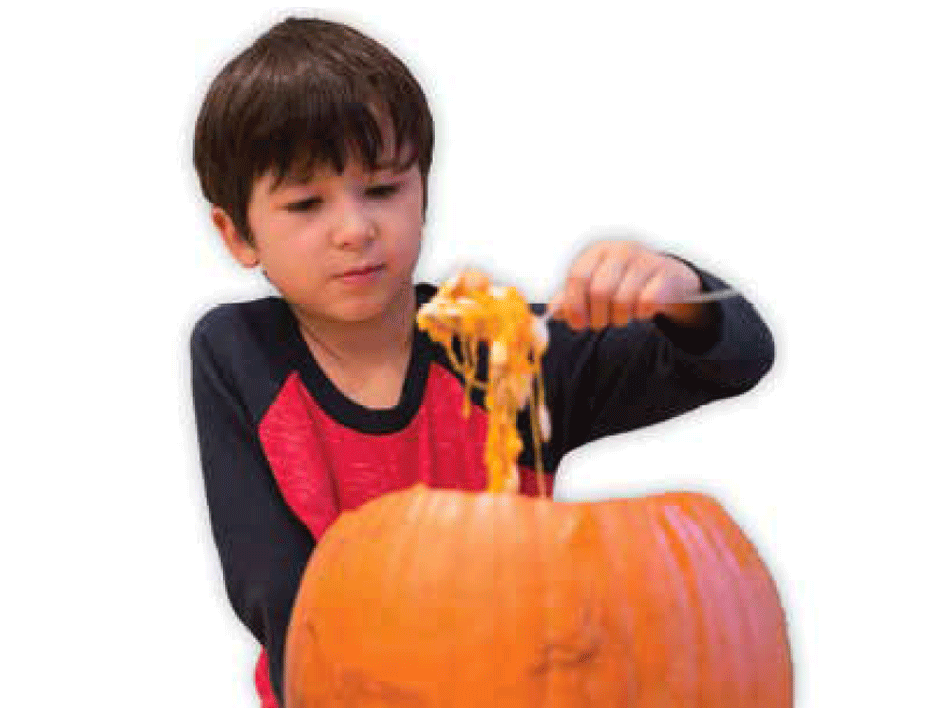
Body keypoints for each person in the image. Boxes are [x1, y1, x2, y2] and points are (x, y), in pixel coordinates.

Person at [190, 15, 775, 708]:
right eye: (305, 203)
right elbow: (273, 587)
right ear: (237, 232)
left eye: (382, 188)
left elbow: (737, 357)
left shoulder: (501, 353)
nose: (355, 230)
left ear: (423, 189)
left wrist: (681, 293)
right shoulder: (238, 353)